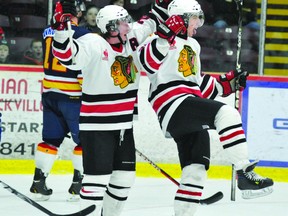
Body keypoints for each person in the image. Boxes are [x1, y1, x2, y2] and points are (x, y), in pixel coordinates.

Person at [137, 0, 273, 215]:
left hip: (189, 106)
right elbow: (147, 64)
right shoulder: (155, 41)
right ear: (179, 19)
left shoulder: (193, 45)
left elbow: (196, 84)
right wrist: (164, 36)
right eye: (193, 18)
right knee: (226, 113)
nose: (198, 23)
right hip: (173, 107)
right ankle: (244, 171)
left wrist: (227, 83)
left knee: (195, 171)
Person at [51, 0, 172, 215]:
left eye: (127, 21)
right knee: (96, 180)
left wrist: (164, 4)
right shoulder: (93, 43)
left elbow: (152, 21)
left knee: (125, 178)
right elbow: (68, 57)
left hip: (124, 125)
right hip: (97, 125)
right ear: (110, 27)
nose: (129, 25)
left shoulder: (131, 38)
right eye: (123, 22)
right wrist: (61, 30)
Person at [29, 12, 88, 201]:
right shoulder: (82, 34)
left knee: (50, 140)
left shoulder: (48, 31)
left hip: (49, 93)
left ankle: (39, 181)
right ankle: (78, 185)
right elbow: (80, 66)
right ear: (78, 13)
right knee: (84, 141)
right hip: (72, 96)